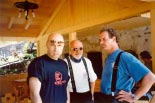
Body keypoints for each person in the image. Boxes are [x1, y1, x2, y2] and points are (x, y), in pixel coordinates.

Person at [97, 27, 155, 103]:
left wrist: (134, 97)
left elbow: (150, 78)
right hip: (105, 99)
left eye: (104, 39)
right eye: (100, 40)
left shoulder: (124, 57)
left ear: (114, 39)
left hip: (118, 100)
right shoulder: (108, 59)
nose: (101, 42)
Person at [27, 33, 70, 103]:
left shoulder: (64, 64)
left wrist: (68, 101)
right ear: (47, 44)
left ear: (63, 46)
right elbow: (34, 94)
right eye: (52, 44)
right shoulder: (38, 63)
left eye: (59, 45)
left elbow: (65, 86)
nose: (56, 48)